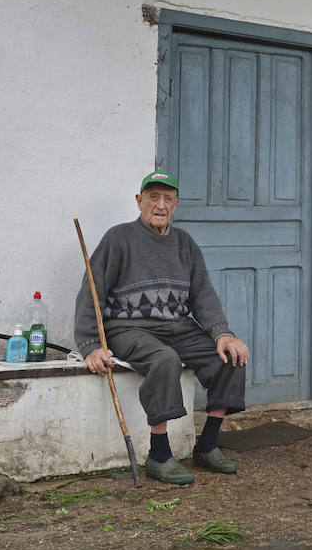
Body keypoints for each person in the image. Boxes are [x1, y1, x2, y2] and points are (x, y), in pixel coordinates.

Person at [74, 170, 249, 484]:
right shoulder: (118, 238)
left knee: (230, 357)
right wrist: (90, 344)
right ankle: (159, 455)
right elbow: (91, 291)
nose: (160, 204)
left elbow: (204, 295)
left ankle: (207, 445)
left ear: (176, 204)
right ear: (139, 201)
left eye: (168, 198)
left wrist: (223, 334)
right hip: (128, 328)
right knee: (164, 359)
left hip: (177, 326)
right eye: (153, 196)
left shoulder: (185, 243)